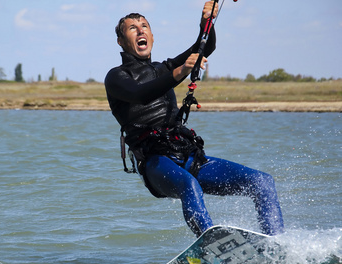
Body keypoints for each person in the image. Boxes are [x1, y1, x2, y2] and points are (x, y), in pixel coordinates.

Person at [104, 1, 284, 237]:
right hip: (154, 162)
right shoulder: (116, 77)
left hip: (187, 153)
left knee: (262, 183)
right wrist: (180, 72)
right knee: (190, 186)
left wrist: (206, 21)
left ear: (152, 36)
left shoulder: (163, 68)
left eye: (144, 26)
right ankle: (211, 245)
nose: (140, 30)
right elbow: (140, 94)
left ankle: (277, 248)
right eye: (132, 28)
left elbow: (204, 47)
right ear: (121, 41)